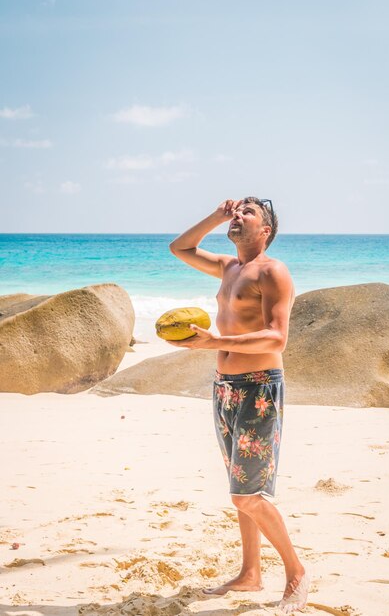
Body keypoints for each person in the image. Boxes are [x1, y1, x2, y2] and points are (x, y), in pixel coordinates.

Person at [168, 197, 310, 612]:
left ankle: (297, 572)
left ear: (265, 230)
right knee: (239, 488)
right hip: (225, 385)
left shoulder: (273, 271)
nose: (239, 215)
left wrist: (216, 342)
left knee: (248, 494)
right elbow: (180, 248)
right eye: (237, 209)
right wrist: (214, 216)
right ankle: (250, 575)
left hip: (259, 386)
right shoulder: (229, 267)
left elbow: (277, 337)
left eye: (249, 212)